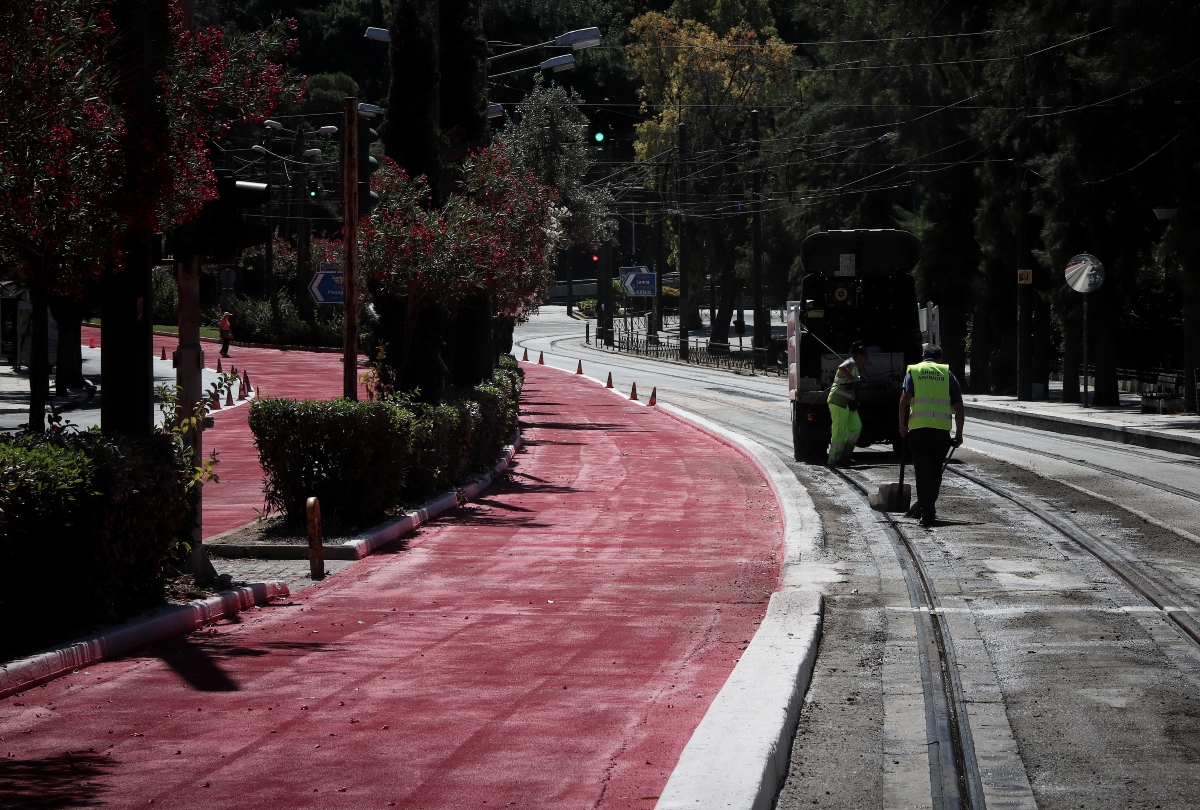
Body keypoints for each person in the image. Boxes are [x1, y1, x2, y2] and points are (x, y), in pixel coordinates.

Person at [898, 344, 965, 526]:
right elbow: (959, 407)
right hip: (940, 432)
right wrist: (959, 434)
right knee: (935, 472)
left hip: (918, 431)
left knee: (922, 472)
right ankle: (928, 507)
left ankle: (927, 511)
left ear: (923, 357)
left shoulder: (915, 371)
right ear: (940, 358)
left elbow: (904, 400)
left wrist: (902, 425)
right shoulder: (947, 374)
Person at [827, 341, 869, 466]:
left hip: (847, 403)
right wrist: (852, 380)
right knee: (839, 431)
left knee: (856, 427)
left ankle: (845, 455)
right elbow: (841, 367)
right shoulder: (851, 362)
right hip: (838, 401)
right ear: (859, 356)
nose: (865, 361)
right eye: (865, 358)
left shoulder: (855, 367)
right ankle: (833, 460)